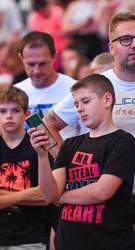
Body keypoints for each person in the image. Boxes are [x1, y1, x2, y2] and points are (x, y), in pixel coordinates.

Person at [43, 12, 135, 250]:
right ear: (111, 47)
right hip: (101, 207)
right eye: (126, 39)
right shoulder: (96, 85)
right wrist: (67, 163)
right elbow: (47, 124)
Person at [29, 74, 135, 250]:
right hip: (68, 241)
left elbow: (102, 191)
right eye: (76, 104)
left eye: (85, 101)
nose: (79, 109)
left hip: (107, 241)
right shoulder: (70, 144)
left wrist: (62, 197)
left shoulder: (122, 141)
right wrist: (42, 156)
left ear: (107, 100)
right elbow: (49, 195)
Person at [15, 31, 84, 155]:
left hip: (66, 162)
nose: (36, 70)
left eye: (42, 63)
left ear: (54, 57)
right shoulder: (14, 93)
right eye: (30, 64)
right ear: (21, 58)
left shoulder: (75, 89)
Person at [0, 86, 48, 249]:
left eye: (15, 110)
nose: (9, 116)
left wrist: (3, 197)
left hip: (31, 238)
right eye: (3, 111)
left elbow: (45, 196)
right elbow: (37, 193)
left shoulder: (38, 145)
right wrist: (28, 194)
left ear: (27, 114)